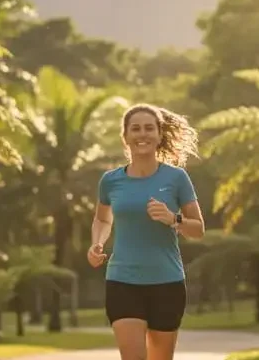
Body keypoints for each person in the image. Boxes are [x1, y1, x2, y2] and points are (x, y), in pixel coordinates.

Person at [87, 103, 206, 360]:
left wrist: (172, 218)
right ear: (126, 137)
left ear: (159, 135)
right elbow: (102, 219)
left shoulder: (176, 178)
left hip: (166, 282)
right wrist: (96, 244)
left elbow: (198, 229)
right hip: (123, 280)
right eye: (136, 129)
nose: (143, 134)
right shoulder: (111, 180)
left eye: (149, 128)